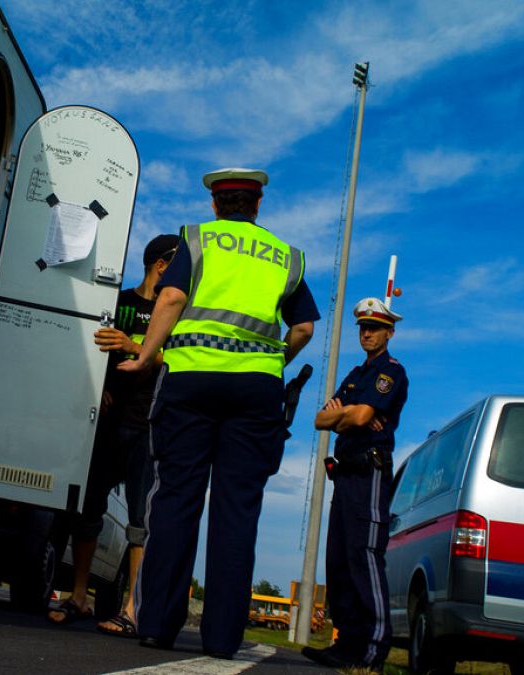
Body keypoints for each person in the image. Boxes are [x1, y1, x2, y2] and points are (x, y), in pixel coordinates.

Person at [119, 167, 320, 659]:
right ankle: (224, 638)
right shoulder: (284, 257)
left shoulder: (197, 239)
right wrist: (272, 365)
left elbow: (171, 296)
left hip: (190, 382)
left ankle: (156, 625)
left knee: (175, 499)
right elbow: (304, 329)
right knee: (238, 510)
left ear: (215, 204)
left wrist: (146, 354)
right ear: (257, 206)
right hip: (255, 394)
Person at [47, 234, 178, 631]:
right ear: (160, 264)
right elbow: (92, 348)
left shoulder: (177, 312)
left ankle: (132, 610)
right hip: (107, 422)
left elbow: (174, 359)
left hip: (148, 425)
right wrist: (97, 385)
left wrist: (134, 346)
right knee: (87, 510)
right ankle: (79, 597)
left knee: (141, 521)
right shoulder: (118, 303)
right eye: (179, 264)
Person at [302, 297, 409, 673]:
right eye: (363, 327)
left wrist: (347, 415)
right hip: (345, 472)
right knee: (340, 561)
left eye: (375, 328)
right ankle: (345, 644)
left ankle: (372, 649)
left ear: (389, 332)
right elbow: (319, 420)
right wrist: (348, 417)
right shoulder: (354, 375)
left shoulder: (390, 372)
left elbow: (362, 415)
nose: (367, 333)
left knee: (364, 557)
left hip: (370, 473)